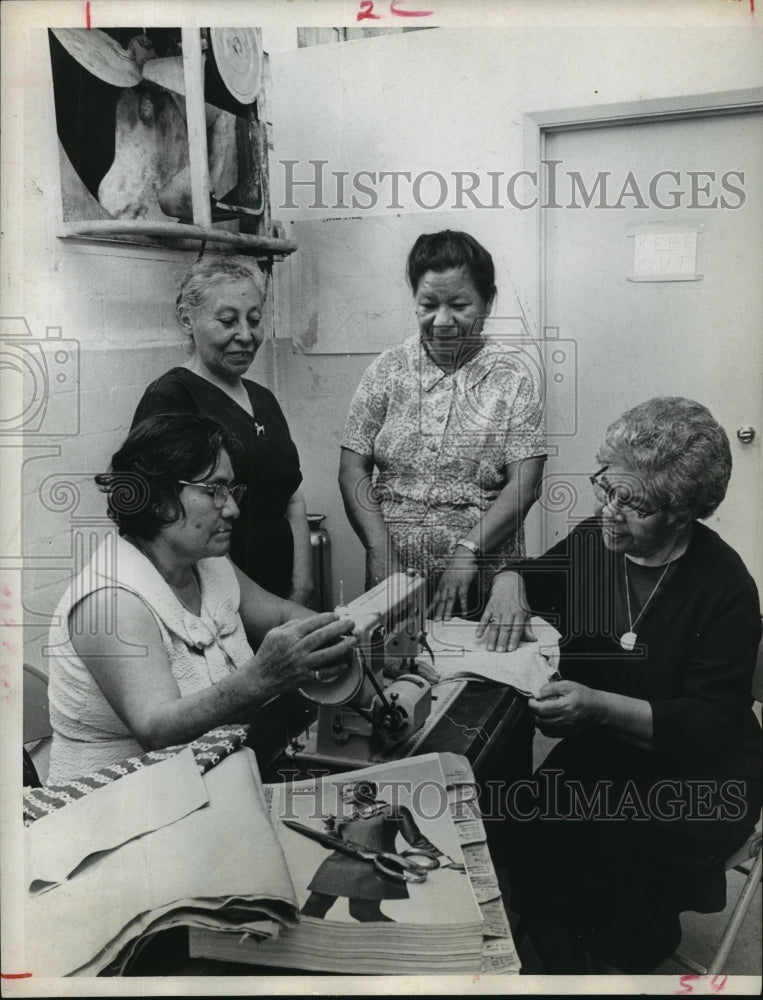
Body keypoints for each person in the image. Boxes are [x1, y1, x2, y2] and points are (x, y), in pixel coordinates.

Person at [485, 397, 762, 973]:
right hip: (608, 752)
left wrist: (597, 707)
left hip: (702, 777)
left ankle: (605, 961)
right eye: (605, 487)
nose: (609, 510)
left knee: (600, 844)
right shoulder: (597, 544)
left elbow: (710, 728)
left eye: (631, 502)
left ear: (682, 512)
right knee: (522, 814)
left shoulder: (725, 587)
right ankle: (557, 951)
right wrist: (509, 578)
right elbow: (535, 576)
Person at [46, 414, 356, 785]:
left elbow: (280, 615)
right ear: (159, 498)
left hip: (207, 784)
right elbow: (157, 730)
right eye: (214, 491)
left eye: (230, 491)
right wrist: (262, 678)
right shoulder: (109, 601)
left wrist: (341, 638)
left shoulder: (207, 563)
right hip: (117, 810)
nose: (232, 509)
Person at [339, 229, 547, 621]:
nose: (443, 321)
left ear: (488, 302)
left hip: (482, 577)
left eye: (459, 305)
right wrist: (381, 553)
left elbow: (526, 482)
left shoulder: (512, 378)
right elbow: (352, 468)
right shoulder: (387, 369)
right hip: (394, 578)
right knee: (397, 676)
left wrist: (468, 551)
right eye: (428, 305)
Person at [132, 255, 311, 603]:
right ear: (187, 319)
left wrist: (302, 587)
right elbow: (169, 524)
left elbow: (293, 497)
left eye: (254, 320)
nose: (245, 335)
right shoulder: (171, 397)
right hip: (219, 599)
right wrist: (261, 607)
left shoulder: (264, 399)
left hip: (285, 596)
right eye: (228, 321)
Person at [300, 779, 464, 923]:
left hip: (374, 867)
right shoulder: (344, 820)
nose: (343, 795)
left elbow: (416, 840)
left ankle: (406, 941)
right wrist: (331, 827)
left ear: (366, 790)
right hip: (336, 866)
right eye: (342, 792)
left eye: (349, 790)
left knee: (362, 912)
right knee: (313, 907)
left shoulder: (394, 810)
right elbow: (333, 845)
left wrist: (445, 861)